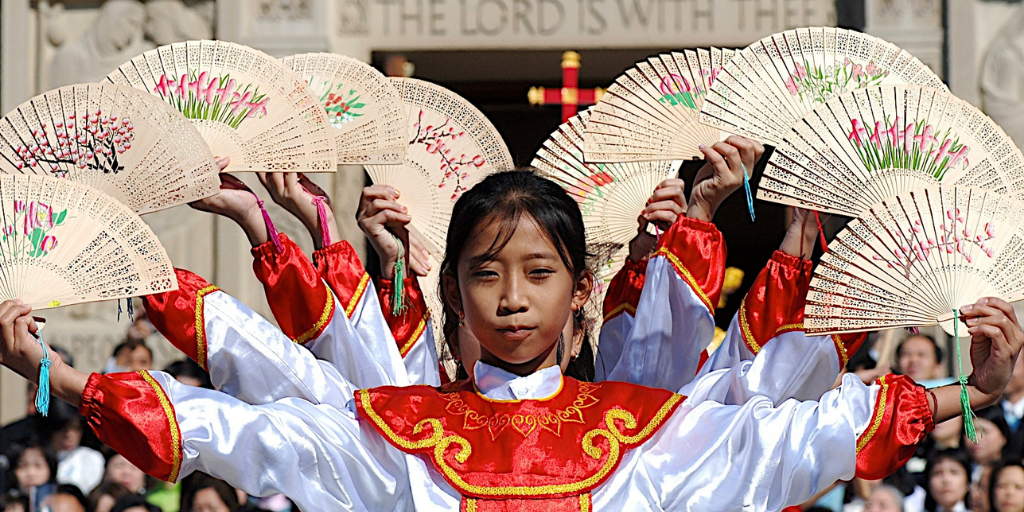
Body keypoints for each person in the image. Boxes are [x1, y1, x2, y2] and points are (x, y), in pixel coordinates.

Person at [2, 161, 1023, 510]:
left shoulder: (648, 430)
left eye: (537, 273)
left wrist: (971, 394)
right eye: (486, 272)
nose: (512, 296)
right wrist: (41, 367)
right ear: (451, 292)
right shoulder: (393, 429)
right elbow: (224, 423)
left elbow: (798, 437)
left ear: (582, 293)